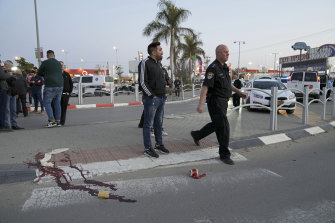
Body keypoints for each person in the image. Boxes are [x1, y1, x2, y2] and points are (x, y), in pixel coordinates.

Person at [190, 44, 247, 165]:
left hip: (224, 102)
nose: (228, 54)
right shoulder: (213, 68)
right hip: (215, 102)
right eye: (225, 52)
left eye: (228, 52)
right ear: (218, 53)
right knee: (224, 126)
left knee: (217, 125)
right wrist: (201, 104)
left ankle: (196, 135)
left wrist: (239, 92)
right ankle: (224, 154)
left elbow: (228, 85)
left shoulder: (225, 68)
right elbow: (205, 86)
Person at [139, 42, 169, 158]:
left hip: (162, 98)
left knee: (158, 123)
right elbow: (142, 82)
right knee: (148, 124)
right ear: (153, 52)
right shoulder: (144, 63)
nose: (162, 51)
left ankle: (159, 144)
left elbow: (160, 80)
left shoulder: (159, 64)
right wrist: (151, 95)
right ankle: (148, 148)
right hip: (151, 99)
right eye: (160, 50)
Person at [38, 50, 63, 128]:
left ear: (47, 56)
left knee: (47, 102)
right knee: (57, 103)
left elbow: (39, 73)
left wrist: (45, 74)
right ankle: (58, 121)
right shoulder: (59, 63)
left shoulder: (45, 62)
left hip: (50, 85)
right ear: (54, 55)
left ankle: (51, 121)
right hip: (60, 85)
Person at [4, 60, 24, 130]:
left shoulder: (12, 73)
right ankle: (6, 125)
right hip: (6, 92)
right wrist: (11, 76)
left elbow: (15, 83)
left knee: (13, 109)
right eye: (10, 66)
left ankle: (14, 124)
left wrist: (16, 93)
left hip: (13, 92)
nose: (11, 67)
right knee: (6, 109)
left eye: (12, 66)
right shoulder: (3, 71)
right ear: (6, 65)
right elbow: (6, 80)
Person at [51, 61, 73, 125]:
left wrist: (69, 93)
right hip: (56, 95)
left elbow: (71, 84)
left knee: (63, 109)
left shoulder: (67, 74)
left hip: (65, 95)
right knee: (55, 108)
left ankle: (62, 121)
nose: (62, 67)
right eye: (60, 65)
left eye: (62, 65)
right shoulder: (54, 74)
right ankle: (55, 121)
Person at [0, 61, 11, 132]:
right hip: (2, 89)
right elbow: (2, 76)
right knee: (3, 108)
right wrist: (8, 73)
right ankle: (2, 126)